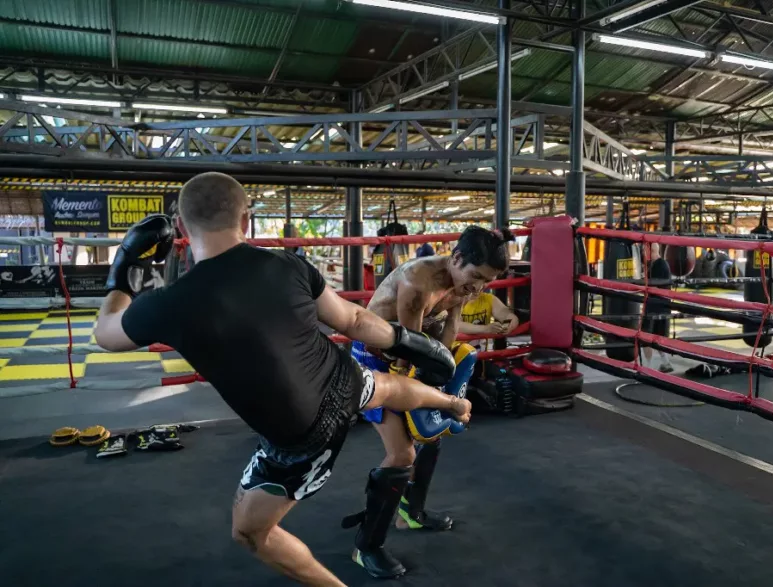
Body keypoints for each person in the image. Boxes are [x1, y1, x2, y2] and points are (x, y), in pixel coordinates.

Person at [93, 172, 472, 587]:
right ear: (247, 220)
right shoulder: (289, 264)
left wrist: (126, 264)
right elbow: (354, 319)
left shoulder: (168, 304)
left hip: (299, 436)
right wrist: (409, 342)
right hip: (341, 378)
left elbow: (106, 334)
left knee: (250, 533)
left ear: (182, 227)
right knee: (385, 387)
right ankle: (453, 403)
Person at [350, 225, 515, 578]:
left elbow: (449, 329)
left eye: (486, 282)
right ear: (456, 258)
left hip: (416, 356)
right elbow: (407, 347)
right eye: (475, 277)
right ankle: (367, 547)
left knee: (431, 435)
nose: (477, 288)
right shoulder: (418, 282)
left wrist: (446, 377)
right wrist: (445, 399)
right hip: (375, 363)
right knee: (402, 454)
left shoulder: (463, 284)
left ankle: (411, 512)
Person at [642, 243, 674, 373]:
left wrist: (641, 285)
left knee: (646, 336)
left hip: (654, 306)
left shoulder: (659, 265)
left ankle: (647, 366)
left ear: (651, 251)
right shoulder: (659, 264)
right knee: (658, 337)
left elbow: (654, 286)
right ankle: (666, 363)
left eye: (646, 251)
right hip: (662, 306)